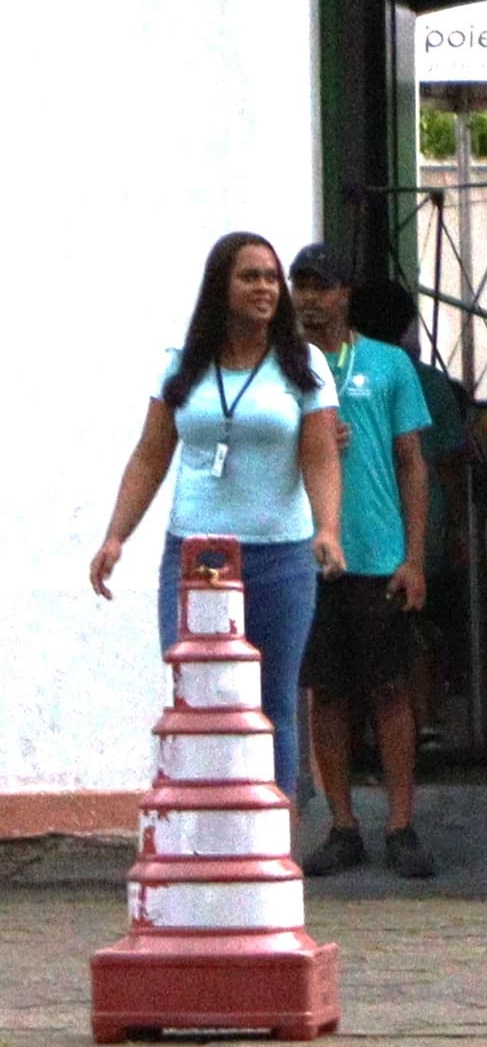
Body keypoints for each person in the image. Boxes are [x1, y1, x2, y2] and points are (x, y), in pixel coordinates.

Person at [88, 233, 344, 802]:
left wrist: (327, 528)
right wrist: (115, 536)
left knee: (272, 700)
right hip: (196, 556)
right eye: (250, 276)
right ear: (220, 289)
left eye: (271, 278)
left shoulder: (306, 366)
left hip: (280, 555)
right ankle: (201, 827)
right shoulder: (182, 368)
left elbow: (321, 455)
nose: (265, 288)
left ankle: (272, 843)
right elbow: (151, 454)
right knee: (198, 693)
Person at [285, 249, 438, 882]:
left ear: (346, 293)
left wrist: (416, 556)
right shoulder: (281, 368)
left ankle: (401, 824)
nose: (309, 298)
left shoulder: (388, 363)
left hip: (377, 552)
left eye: (322, 286)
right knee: (326, 693)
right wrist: (309, 438)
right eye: (302, 286)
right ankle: (342, 825)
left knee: (391, 688)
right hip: (311, 554)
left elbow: (412, 462)